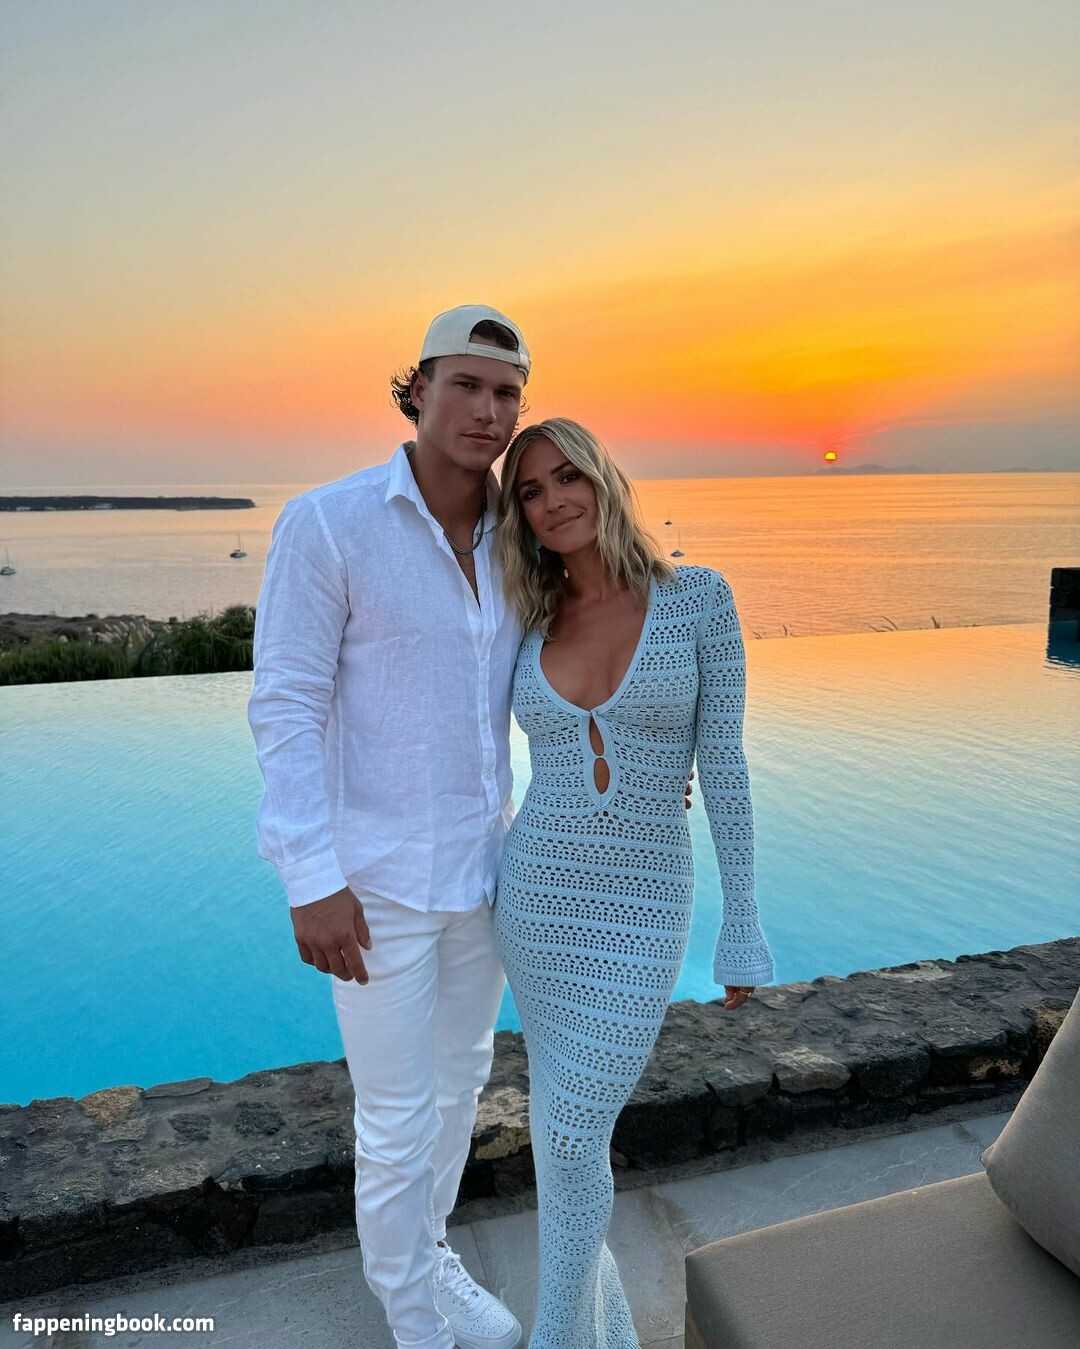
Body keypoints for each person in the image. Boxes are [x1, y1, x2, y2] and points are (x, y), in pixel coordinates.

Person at [247, 304, 532, 1349]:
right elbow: (285, 703)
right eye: (467, 385)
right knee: (397, 1116)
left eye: (507, 392)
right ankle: (414, 1320)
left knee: (459, 1092)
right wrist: (309, 875)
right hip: (372, 887)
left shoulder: (520, 536)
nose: (487, 409)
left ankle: (432, 1257)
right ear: (417, 390)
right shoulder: (330, 523)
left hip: (485, 876)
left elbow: (587, 654)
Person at [492, 417, 774, 1348]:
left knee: (574, 1130)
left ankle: (556, 1337)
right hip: (535, 900)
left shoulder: (698, 599)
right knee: (563, 1139)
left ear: (604, 479)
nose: (553, 500)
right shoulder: (525, 619)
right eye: (531, 491)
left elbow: (723, 764)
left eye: (567, 476)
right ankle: (596, 1331)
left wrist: (742, 921)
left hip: (645, 905)